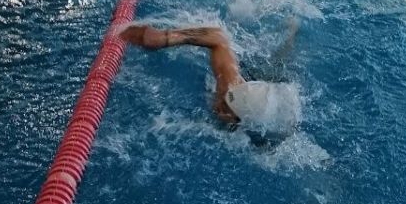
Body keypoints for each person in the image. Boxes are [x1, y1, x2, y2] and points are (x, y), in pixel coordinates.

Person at [118, 21, 302, 138]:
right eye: (227, 100)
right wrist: (165, 38)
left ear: (235, 119)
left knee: (278, 66)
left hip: (275, 111)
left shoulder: (269, 138)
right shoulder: (230, 86)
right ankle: (292, 30)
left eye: (227, 108)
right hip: (268, 96)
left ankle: (293, 33)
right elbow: (218, 37)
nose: (220, 106)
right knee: (273, 66)